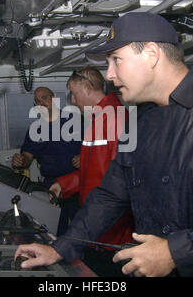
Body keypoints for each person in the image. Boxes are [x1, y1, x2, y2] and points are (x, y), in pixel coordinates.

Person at [15, 12, 193, 277]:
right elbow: (110, 196)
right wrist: (60, 248)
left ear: (151, 55)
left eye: (115, 60)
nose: (109, 74)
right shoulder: (141, 120)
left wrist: (176, 253)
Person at [47, 66, 134, 276]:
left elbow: (119, 181)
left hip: (111, 236)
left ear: (87, 88)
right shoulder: (99, 119)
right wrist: (64, 184)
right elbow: (93, 170)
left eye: (74, 95)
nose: (73, 102)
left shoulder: (115, 119)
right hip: (97, 228)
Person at [12, 86, 81, 236]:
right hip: (51, 185)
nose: (41, 103)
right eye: (37, 101)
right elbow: (27, 158)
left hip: (77, 183)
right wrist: (20, 160)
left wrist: (84, 158)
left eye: (44, 97)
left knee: (82, 228)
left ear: (54, 97)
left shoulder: (75, 120)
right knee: (54, 229)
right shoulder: (35, 129)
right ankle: (60, 258)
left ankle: (82, 258)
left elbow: (95, 148)